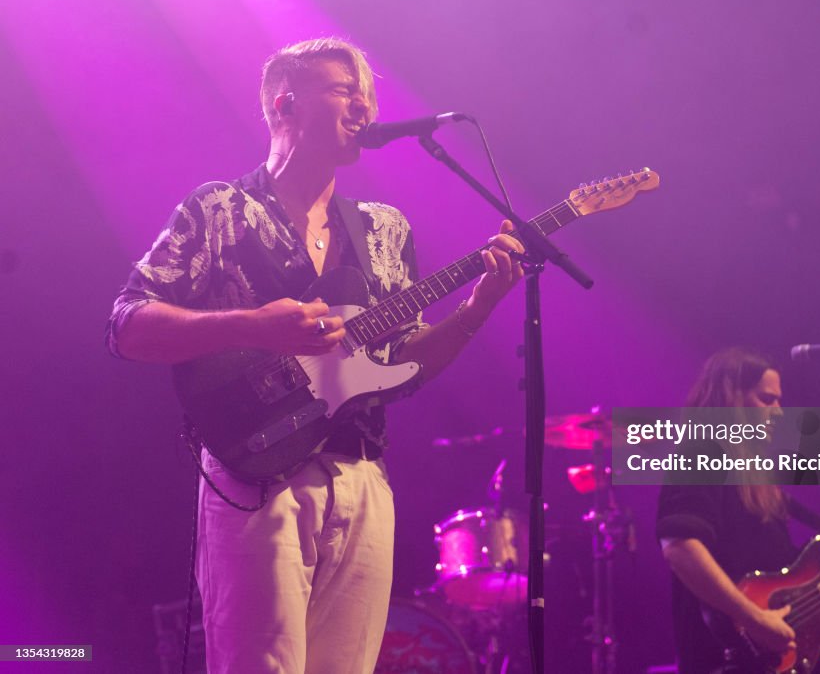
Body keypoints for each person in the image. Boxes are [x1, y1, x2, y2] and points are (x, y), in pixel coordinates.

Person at [106, 38, 524, 673]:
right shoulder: (220, 209)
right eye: (342, 90)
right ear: (285, 105)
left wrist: (478, 309)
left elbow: (405, 364)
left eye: (368, 94)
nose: (363, 105)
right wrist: (251, 325)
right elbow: (128, 326)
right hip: (256, 476)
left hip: (361, 476)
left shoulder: (386, 228)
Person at [656, 348, 820, 674]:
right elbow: (679, 548)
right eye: (766, 399)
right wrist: (755, 619)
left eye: (779, 401)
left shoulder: (760, 480)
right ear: (729, 400)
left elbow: (788, 603)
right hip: (724, 660)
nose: (778, 412)